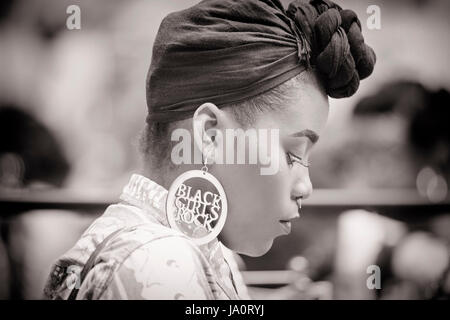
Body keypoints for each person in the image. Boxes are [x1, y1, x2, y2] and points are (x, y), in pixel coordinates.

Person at [44, 0, 375, 300]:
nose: (306, 186)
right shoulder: (161, 266)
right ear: (211, 134)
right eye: (293, 153)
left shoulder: (178, 251)